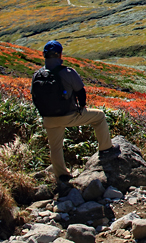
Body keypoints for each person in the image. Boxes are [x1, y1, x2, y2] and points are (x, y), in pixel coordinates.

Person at [31, 40, 118, 181]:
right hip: (69, 115)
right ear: (59, 55)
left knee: (55, 147)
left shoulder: (37, 75)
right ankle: (106, 148)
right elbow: (80, 92)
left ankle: (62, 175)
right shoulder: (67, 72)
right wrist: (82, 107)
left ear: (44, 55)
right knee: (100, 117)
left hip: (48, 118)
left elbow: (34, 97)